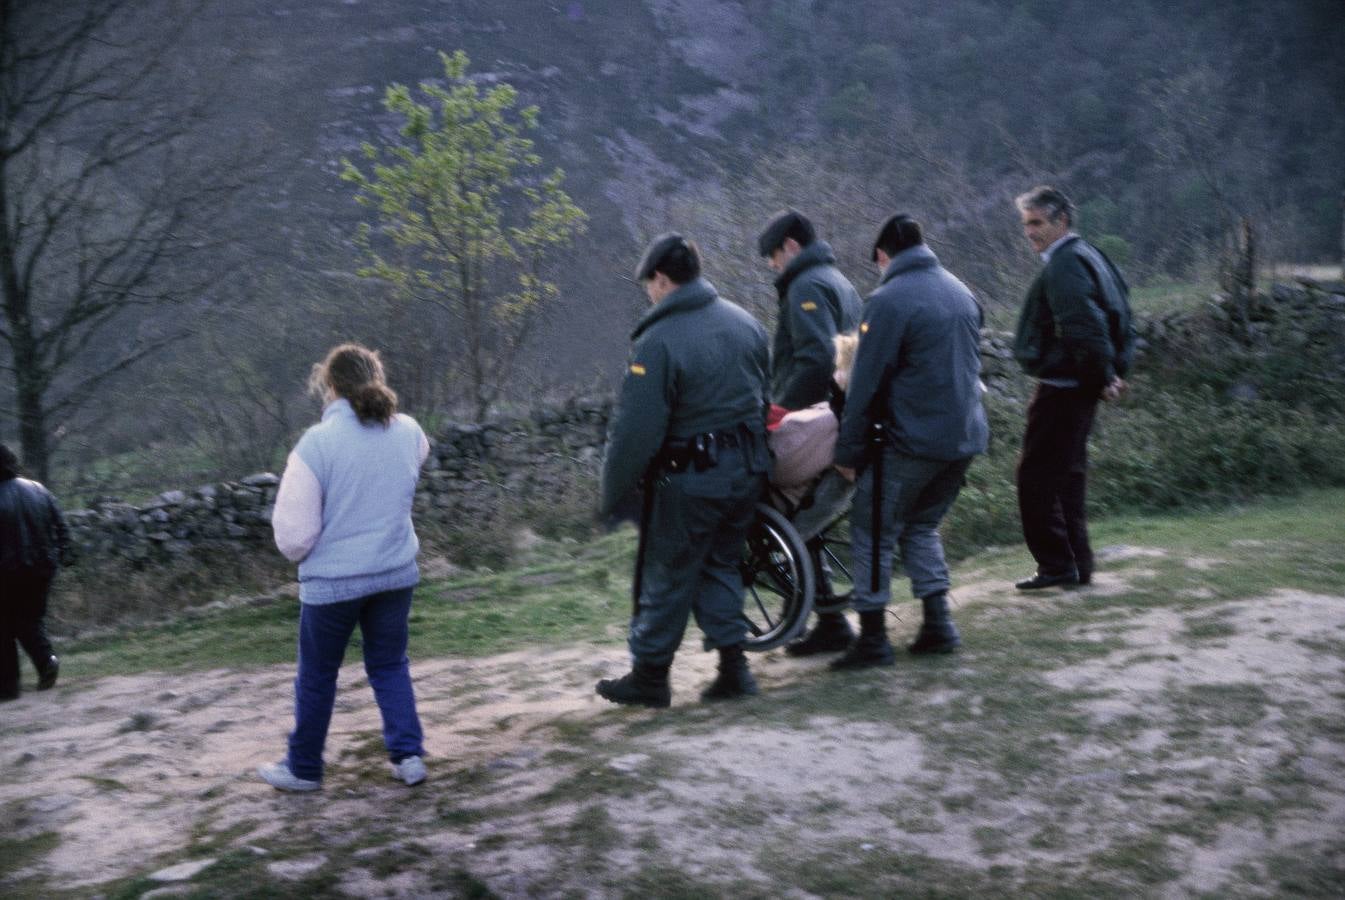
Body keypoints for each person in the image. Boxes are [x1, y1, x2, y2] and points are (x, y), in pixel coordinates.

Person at [597, 233, 771, 707]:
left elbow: (636, 432)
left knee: (668, 573)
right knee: (721, 565)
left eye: (648, 285)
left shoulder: (657, 343)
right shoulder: (745, 322)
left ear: (661, 279)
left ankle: (651, 678)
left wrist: (612, 492)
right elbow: (764, 394)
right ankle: (735, 670)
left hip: (692, 478)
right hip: (748, 471)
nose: (648, 294)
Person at [261, 344, 430, 791]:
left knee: (318, 675)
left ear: (330, 386)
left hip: (334, 584)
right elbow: (408, 472)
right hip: (394, 574)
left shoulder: (316, 444)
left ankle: (303, 769)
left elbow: (295, 536)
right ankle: (408, 756)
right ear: (377, 378)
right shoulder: (409, 431)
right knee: (390, 664)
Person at [832, 214, 989, 666]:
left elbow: (865, 382)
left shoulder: (887, 300)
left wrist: (848, 450)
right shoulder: (961, 291)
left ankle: (874, 640)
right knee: (920, 526)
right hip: (965, 438)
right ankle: (939, 625)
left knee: (871, 528)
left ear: (883, 255)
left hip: (912, 441)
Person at [1011, 186, 1132, 590]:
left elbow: (1086, 325)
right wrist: (1111, 373)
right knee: (1067, 476)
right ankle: (1076, 564)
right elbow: (1121, 314)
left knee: (1036, 477)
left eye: (1037, 223)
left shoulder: (1065, 263)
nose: (1029, 232)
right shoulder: (1090, 254)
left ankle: (1057, 565)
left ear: (1061, 220)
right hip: (1080, 383)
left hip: (1064, 386)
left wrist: (1102, 376)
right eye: (1026, 223)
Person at [756, 209, 863, 656]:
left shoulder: (806, 285)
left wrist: (783, 412)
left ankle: (812, 618)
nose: (773, 267)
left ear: (791, 247)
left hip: (818, 419)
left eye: (773, 258)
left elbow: (818, 359)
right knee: (806, 518)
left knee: (773, 503)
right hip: (844, 418)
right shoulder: (840, 281)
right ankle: (820, 618)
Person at [0, 443, 67, 701]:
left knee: (4, 627)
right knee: (29, 620)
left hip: (6, 572)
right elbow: (61, 529)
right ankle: (46, 661)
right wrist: (57, 560)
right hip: (40, 569)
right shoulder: (38, 489)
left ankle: (8, 687)